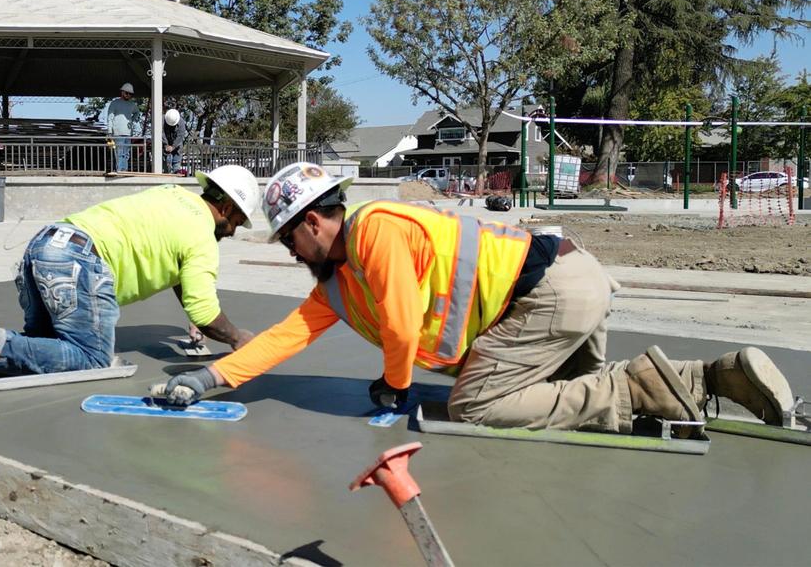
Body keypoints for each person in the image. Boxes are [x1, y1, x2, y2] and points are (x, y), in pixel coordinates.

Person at [160, 161, 795, 438]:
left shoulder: (374, 229)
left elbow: (405, 326)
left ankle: (639, 390)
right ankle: (714, 378)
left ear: (310, 223)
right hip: (561, 290)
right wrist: (210, 377)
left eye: (288, 240)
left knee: (475, 403)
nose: (290, 253)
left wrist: (395, 385)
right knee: (561, 393)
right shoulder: (340, 279)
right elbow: (287, 335)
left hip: (549, 295)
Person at [0, 165, 263, 380]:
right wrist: (236, 338)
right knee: (91, 359)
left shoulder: (172, 195)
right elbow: (204, 310)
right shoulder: (202, 236)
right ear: (228, 207)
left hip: (44, 246)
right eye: (238, 223)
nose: (232, 232)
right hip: (82, 264)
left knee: (43, 352)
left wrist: (194, 317)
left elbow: (183, 282)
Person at [106, 83, 140, 172]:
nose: (128, 95)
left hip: (128, 133)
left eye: (130, 94)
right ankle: (120, 170)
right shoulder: (115, 103)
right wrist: (109, 131)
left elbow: (137, 112)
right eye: (127, 93)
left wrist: (131, 120)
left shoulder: (132, 104)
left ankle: (124, 170)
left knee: (126, 154)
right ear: (122, 92)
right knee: (120, 153)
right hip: (117, 132)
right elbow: (110, 117)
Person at [162, 107, 187, 174]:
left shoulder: (181, 123)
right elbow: (162, 133)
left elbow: (180, 137)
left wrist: (173, 146)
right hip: (164, 147)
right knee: (165, 166)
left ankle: (176, 175)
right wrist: (166, 145)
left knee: (176, 164)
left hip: (177, 147)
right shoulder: (162, 120)